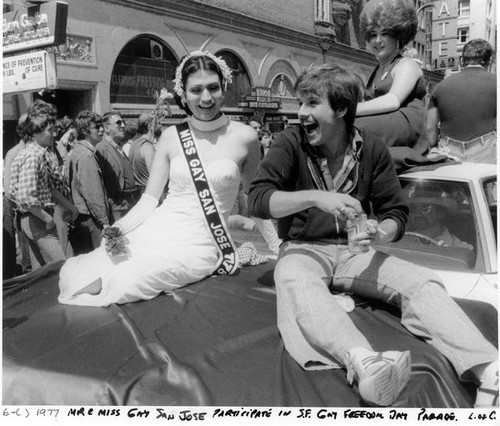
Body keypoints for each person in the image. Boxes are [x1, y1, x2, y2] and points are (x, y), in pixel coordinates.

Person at [247, 64, 498, 407]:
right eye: (300, 103)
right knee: (295, 280)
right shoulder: (289, 142)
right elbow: (258, 200)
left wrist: (379, 232)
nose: (301, 112)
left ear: (340, 109)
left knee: (421, 281)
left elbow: (396, 213)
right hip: (304, 249)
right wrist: (316, 197)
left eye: (310, 103)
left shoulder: (374, 150)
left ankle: (488, 372)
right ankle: (366, 362)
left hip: (355, 253)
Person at [58, 51, 260, 307]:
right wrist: (119, 229)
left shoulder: (245, 137)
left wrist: (277, 248)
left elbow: (258, 200)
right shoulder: (171, 137)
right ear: (184, 94)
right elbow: (148, 201)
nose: (206, 97)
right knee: (79, 275)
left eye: (213, 87)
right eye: (196, 90)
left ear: (224, 88)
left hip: (202, 244)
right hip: (161, 229)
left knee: (128, 279)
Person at [355, 0, 426, 151]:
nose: (378, 40)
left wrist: (351, 109)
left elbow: (393, 100)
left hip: (407, 125)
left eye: (385, 33)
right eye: (373, 34)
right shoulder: (378, 69)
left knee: (352, 127)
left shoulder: (407, 64)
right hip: (386, 123)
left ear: (398, 36)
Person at [9, 100, 73, 268]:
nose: (54, 134)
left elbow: (49, 189)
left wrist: (71, 207)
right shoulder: (33, 156)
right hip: (38, 219)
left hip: (36, 219)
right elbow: (25, 198)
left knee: (44, 273)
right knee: (62, 267)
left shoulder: (39, 154)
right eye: (50, 130)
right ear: (36, 132)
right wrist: (49, 220)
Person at [425, 39, 496, 163]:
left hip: (448, 152)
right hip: (487, 152)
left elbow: (430, 129)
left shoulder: (441, 86)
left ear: (462, 61)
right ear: (489, 61)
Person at [65, 111, 111, 255]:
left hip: (82, 218)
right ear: (85, 130)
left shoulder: (77, 151)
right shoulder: (85, 155)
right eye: (97, 127)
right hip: (90, 220)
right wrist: (104, 221)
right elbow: (93, 193)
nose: (102, 129)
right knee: (98, 261)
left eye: (102, 126)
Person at [96, 112, 138, 222]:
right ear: (106, 128)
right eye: (119, 123)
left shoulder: (118, 147)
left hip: (128, 204)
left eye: (123, 122)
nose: (123, 125)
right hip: (117, 207)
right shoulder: (101, 148)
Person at [405, 184, 473, 250]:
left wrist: (449, 254)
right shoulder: (402, 239)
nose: (418, 214)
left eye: (425, 208)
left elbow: (469, 254)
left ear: (440, 213)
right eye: (414, 209)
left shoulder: (457, 247)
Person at [3, 114, 30, 277]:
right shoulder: (15, 153)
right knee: (25, 258)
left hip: (32, 212)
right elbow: (9, 190)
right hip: (20, 212)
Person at [128, 113, 156, 194]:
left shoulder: (134, 144)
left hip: (137, 194)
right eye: (157, 122)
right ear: (149, 125)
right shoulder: (147, 146)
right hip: (148, 193)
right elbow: (154, 177)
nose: (159, 125)